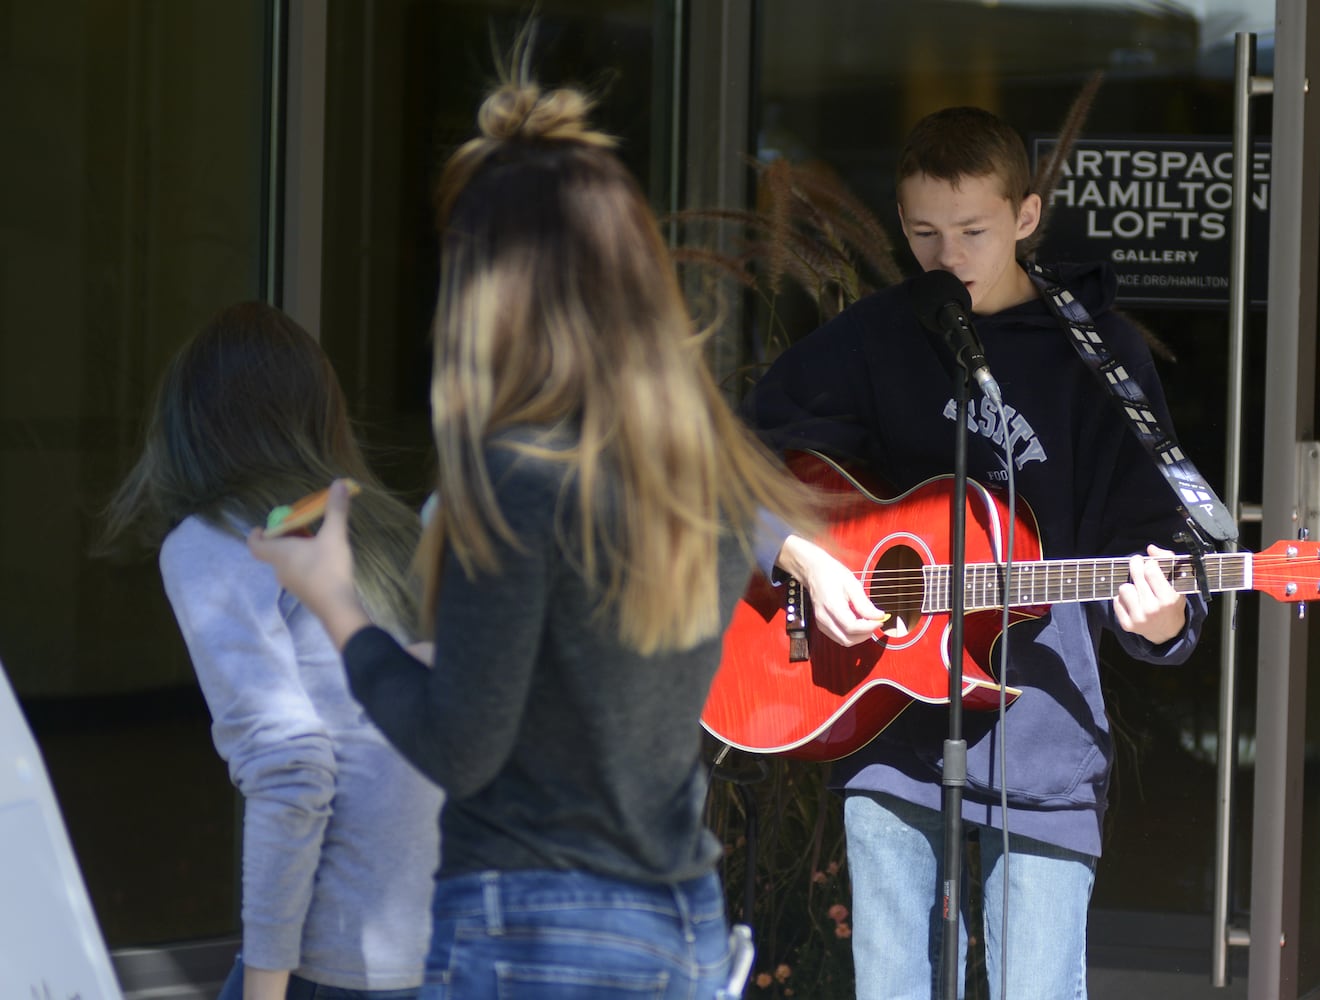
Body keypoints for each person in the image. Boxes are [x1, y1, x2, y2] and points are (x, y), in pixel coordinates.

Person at [247, 74, 816, 999]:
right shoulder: (699, 471)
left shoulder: (516, 475)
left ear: (491, 287)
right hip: (681, 926)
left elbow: (461, 746)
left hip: (536, 928)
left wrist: (335, 604)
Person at [741, 106, 1210, 999]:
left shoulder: (1097, 355)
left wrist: (1166, 617)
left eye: (972, 231)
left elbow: (1151, 535)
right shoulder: (875, 337)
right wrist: (801, 555)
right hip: (884, 718)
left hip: (1045, 737)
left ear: (1027, 217)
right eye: (922, 232)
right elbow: (723, 463)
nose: (945, 256)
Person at [101, 302, 441, 1000]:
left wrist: (263, 988)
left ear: (188, 423)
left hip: (338, 964)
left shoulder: (214, 539)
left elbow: (291, 768)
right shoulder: (390, 525)